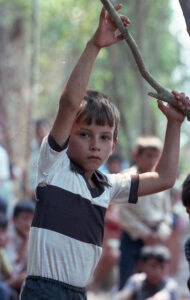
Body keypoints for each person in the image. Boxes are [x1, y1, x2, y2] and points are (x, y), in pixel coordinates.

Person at [20, 5, 187, 300]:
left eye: (104, 137)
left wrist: (174, 123)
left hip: (78, 293)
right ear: (66, 134)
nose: (95, 144)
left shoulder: (107, 186)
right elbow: (70, 103)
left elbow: (165, 178)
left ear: (115, 145)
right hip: (42, 291)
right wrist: (95, 45)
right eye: (84, 134)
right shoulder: (53, 166)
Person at [118, 136, 173, 290]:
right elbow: (123, 211)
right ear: (137, 155)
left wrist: (160, 233)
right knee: (128, 279)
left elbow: (166, 211)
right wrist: (144, 233)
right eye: (149, 156)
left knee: (156, 281)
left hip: (156, 237)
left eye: (156, 156)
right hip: (133, 236)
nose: (152, 160)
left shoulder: (162, 180)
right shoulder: (127, 177)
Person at [113, 245, 178, 300]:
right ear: (141, 265)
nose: (157, 272)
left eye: (162, 267)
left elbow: (161, 297)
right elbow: (125, 295)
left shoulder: (170, 285)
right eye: (153, 266)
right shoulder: (136, 281)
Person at [6, 200, 35, 294]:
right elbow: (14, 268)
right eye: (25, 218)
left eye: (32, 220)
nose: (28, 224)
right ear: (13, 219)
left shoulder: (31, 237)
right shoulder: (6, 236)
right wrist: (26, 239)